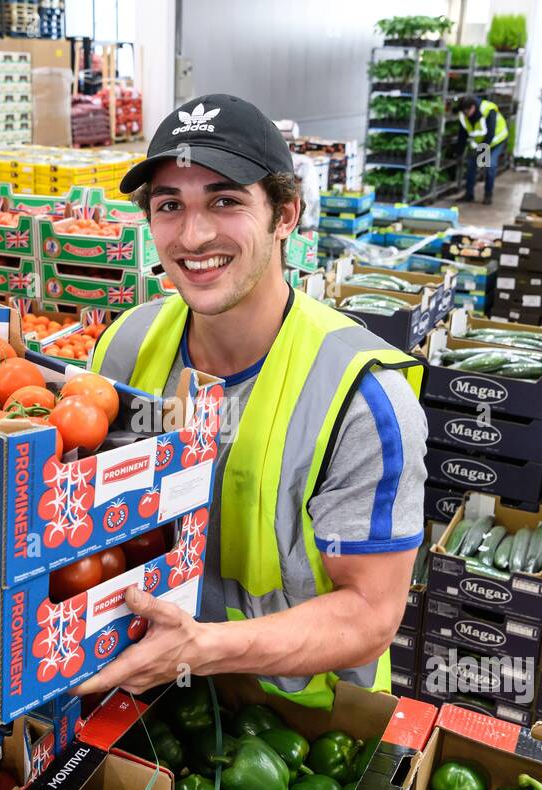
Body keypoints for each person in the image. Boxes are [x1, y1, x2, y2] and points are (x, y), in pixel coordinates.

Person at [71, 94, 428, 708]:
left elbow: (371, 615)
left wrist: (202, 649)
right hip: (141, 698)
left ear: (285, 214)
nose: (193, 235)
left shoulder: (362, 397)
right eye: (168, 206)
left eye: (225, 201)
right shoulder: (125, 346)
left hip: (296, 735)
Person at [455, 94, 508, 205]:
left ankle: (488, 195)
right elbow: (462, 136)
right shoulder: (463, 115)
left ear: (473, 107)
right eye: (463, 112)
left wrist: (482, 154)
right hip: (480, 143)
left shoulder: (488, 110)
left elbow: (490, 134)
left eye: (467, 112)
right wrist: (459, 153)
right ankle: (469, 195)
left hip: (496, 141)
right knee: (471, 165)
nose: (465, 115)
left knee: (490, 166)